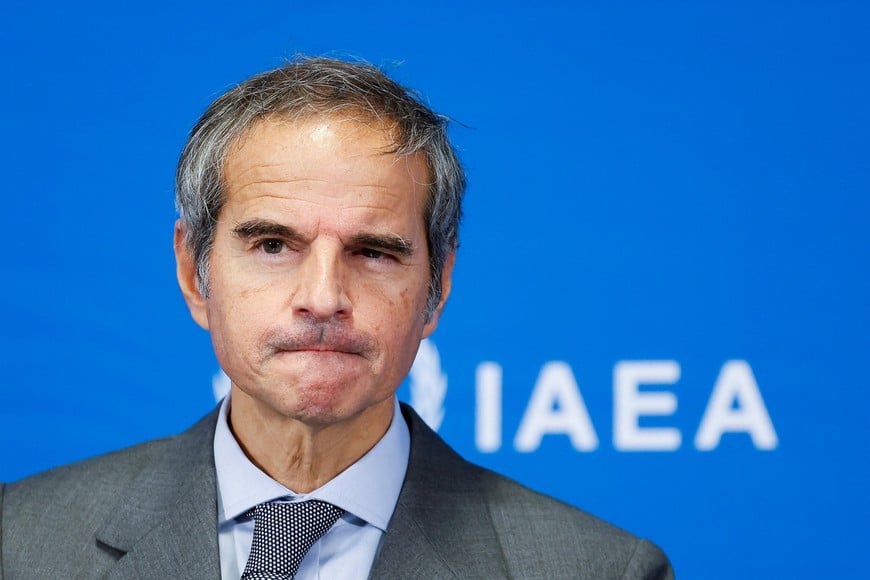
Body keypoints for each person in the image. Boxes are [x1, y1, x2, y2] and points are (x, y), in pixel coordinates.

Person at [0, 57, 674, 579]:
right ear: (192, 271)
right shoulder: (19, 544)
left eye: (374, 251)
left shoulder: (598, 570)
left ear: (437, 284)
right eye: (272, 245)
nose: (323, 296)